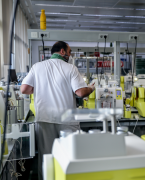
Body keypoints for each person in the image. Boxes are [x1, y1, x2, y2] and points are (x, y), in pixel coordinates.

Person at [20, 41, 95, 180]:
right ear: (62, 52)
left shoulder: (37, 67)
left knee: (46, 158)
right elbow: (80, 93)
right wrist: (91, 88)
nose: (70, 55)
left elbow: (24, 89)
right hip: (67, 120)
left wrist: (42, 89)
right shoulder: (70, 68)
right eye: (69, 52)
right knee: (70, 157)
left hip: (44, 120)